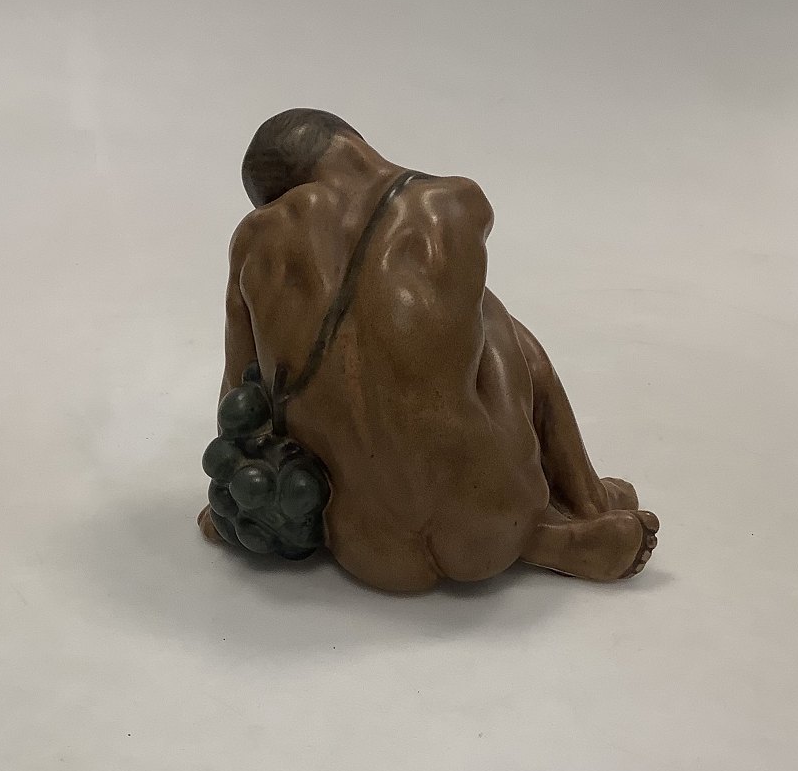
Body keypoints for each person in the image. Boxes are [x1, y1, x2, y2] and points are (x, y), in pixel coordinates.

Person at [199, 108, 658, 593]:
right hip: (493, 519)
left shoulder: (251, 240)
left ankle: (542, 536)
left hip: (364, 548)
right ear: (351, 142)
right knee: (491, 314)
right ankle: (581, 502)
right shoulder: (456, 202)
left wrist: (231, 502)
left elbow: (240, 394)